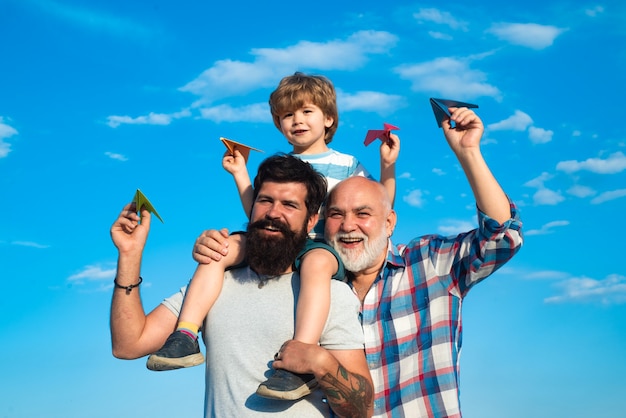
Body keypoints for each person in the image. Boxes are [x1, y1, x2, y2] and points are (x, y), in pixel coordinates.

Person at [194, 105, 524, 417]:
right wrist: (222, 245)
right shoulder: (315, 288)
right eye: (336, 214)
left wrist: (468, 152)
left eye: (363, 214)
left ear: (390, 222)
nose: (349, 226)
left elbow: (501, 238)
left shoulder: (429, 264)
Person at [147, 72, 400, 400]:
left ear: (328, 118)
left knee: (317, 266)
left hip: (317, 244)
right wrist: (240, 174)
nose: (296, 120)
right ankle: (186, 335)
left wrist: (387, 166)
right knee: (221, 249)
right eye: (287, 115)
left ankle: (298, 358)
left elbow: (379, 203)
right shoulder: (280, 166)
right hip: (275, 240)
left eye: (306, 111)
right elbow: (262, 212)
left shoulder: (347, 163)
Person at [110, 154, 374, 417]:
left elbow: (362, 410)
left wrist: (321, 363)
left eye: (289, 205)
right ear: (252, 205)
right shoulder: (213, 284)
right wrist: (130, 255)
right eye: (265, 200)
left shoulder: (330, 294)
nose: (273, 213)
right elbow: (128, 344)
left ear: (310, 221)